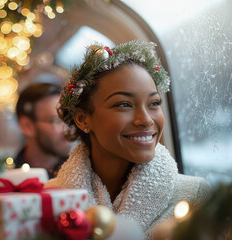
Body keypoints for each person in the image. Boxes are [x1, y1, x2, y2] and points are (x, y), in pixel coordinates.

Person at [45, 41, 212, 239]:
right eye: (124, 105)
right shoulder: (48, 200)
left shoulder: (195, 197)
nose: (146, 120)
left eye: (154, 103)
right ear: (83, 119)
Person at [15, 82, 71, 178]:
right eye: (57, 120)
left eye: (68, 119)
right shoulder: (6, 176)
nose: (67, 129)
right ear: (27, 126)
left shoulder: (78, 175)